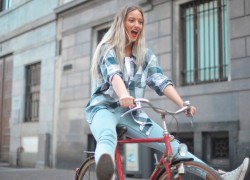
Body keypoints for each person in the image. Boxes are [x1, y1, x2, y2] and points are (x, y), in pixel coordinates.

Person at [85, 5, 249, 180]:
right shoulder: (108, 49)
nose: (137, 25)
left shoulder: (145, 55)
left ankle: (220, 177)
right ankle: (105, 171)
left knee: (175, 147)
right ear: (121, 24)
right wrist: (124, 95)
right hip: (103, 108)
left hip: (132, 114)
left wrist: (182, 104)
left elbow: (160, 80)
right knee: (107, 135)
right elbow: (114, 75)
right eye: (131, 20)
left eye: (140, 22)